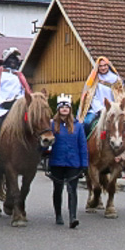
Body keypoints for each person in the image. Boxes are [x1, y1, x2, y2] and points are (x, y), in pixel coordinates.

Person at [48, 94, 88, 229]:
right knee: (57, 189)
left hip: (73, 163)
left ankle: (72, 217)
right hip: (57, 162)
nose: (64, 109)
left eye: (67, 107)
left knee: (72, 190)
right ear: (58, 109)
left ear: (70, 109)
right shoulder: (52, 125)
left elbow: (82, 145)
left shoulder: (78, 126)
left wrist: (84, 165)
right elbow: (46, 144)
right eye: (62, 107)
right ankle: (58, 215)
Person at [77, 56, 125, 136]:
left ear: (108, 66)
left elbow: (120, 95)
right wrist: (100, 108)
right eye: (100, 66)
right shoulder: (94, 79)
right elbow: (91, 96)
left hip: (113, 109)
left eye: (105, 65)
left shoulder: (116, 79)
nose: (103, 68)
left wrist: (113, 107)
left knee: (124, 126)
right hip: (97, 110)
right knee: (86, 123)